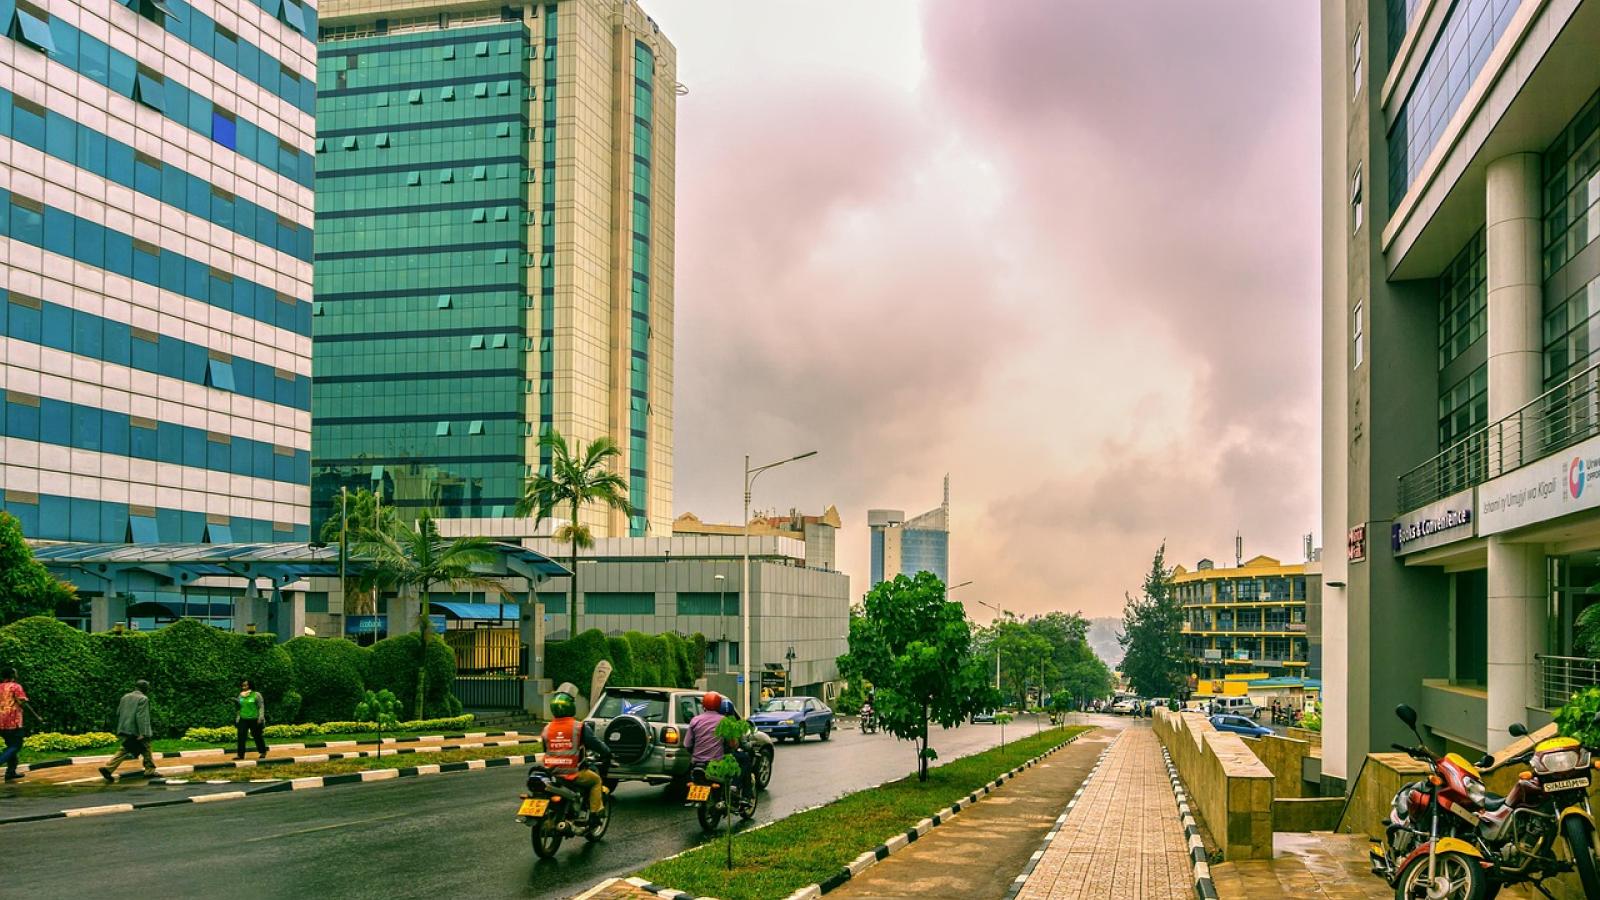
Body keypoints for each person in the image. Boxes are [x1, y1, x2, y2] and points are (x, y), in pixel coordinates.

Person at [539, 691, 612, 824]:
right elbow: (596, 744)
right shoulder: (579, 727)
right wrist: (607, 752)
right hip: (572, 774)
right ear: (571, 707)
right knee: (595, 780)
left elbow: (546, 749)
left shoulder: (546, 728)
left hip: (551, 772)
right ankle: (595, 814)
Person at [683, 691, 751, 794]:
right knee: (744, 760)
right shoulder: (724, 721)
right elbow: (733, 744)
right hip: (717, 763)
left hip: (696, 764)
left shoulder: (695, 720)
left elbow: (687, 744)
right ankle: (738, 789)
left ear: (703, 705)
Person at [99, 680, 156, 782]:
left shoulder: (125, 697)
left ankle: (108, 769)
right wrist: (143, 732)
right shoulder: (143, 699)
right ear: (144, 688)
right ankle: (149, 771)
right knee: (141, 748)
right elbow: (141, 716)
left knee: (133, 748)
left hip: (125, 728)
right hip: (137, 730)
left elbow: (118, 712)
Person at [0, 667, 32, 781]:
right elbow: (22, 701)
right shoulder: (15, 686)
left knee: (10, 746)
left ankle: (11, 772)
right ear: (12, 675)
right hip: (13, 721)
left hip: (0, 721)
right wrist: (36, 716)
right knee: (15, 746)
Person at [234, 679, 267, 760]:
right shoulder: (240, 695)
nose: (244, 687)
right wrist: (238, 717)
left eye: (246, 685)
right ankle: (240, 755)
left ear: (250, 685)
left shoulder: (256, 694)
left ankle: (262, 752)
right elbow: (239, 708)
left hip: (254, 719)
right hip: (243, 718)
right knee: (241, 736)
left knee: (257, 736)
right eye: (243, 685)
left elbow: (261, 706)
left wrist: (261, 717)